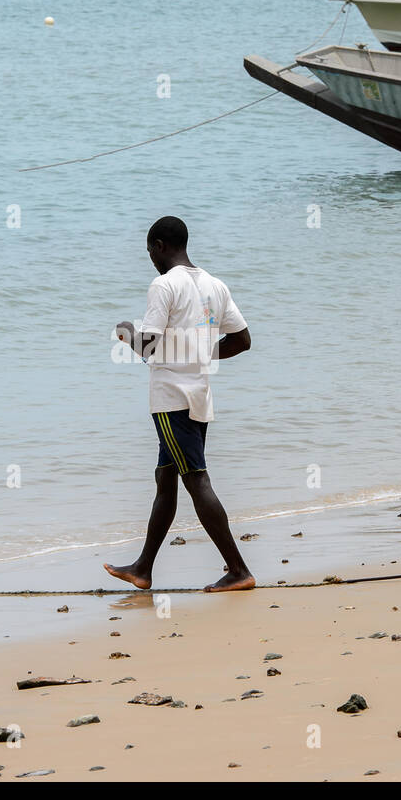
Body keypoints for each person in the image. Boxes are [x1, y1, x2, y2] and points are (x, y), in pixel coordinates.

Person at [104, 216, 255, 593]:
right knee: (165, 478)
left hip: (171, 399)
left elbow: (149, 345)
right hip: (199, 396)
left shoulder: (163, 285)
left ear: (158, 246)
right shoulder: (215, 285)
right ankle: (143, 568)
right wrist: (201, 356)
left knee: (195, 479)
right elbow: (242, 340)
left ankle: (238, 570)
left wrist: (125, 333)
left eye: (149, 252)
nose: (151, 260)